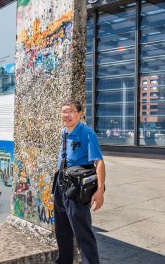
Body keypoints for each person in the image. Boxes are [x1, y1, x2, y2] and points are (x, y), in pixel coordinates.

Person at [54, 100, 106, 264]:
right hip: (61, 183)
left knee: (82, 231)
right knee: (62, 229)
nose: (66, 115)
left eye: (70, 111)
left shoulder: (86, 133)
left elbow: (99, 162)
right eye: (63, 111)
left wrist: (99, 191)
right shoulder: (64, 131)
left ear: (80, 114)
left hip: (77, 187)